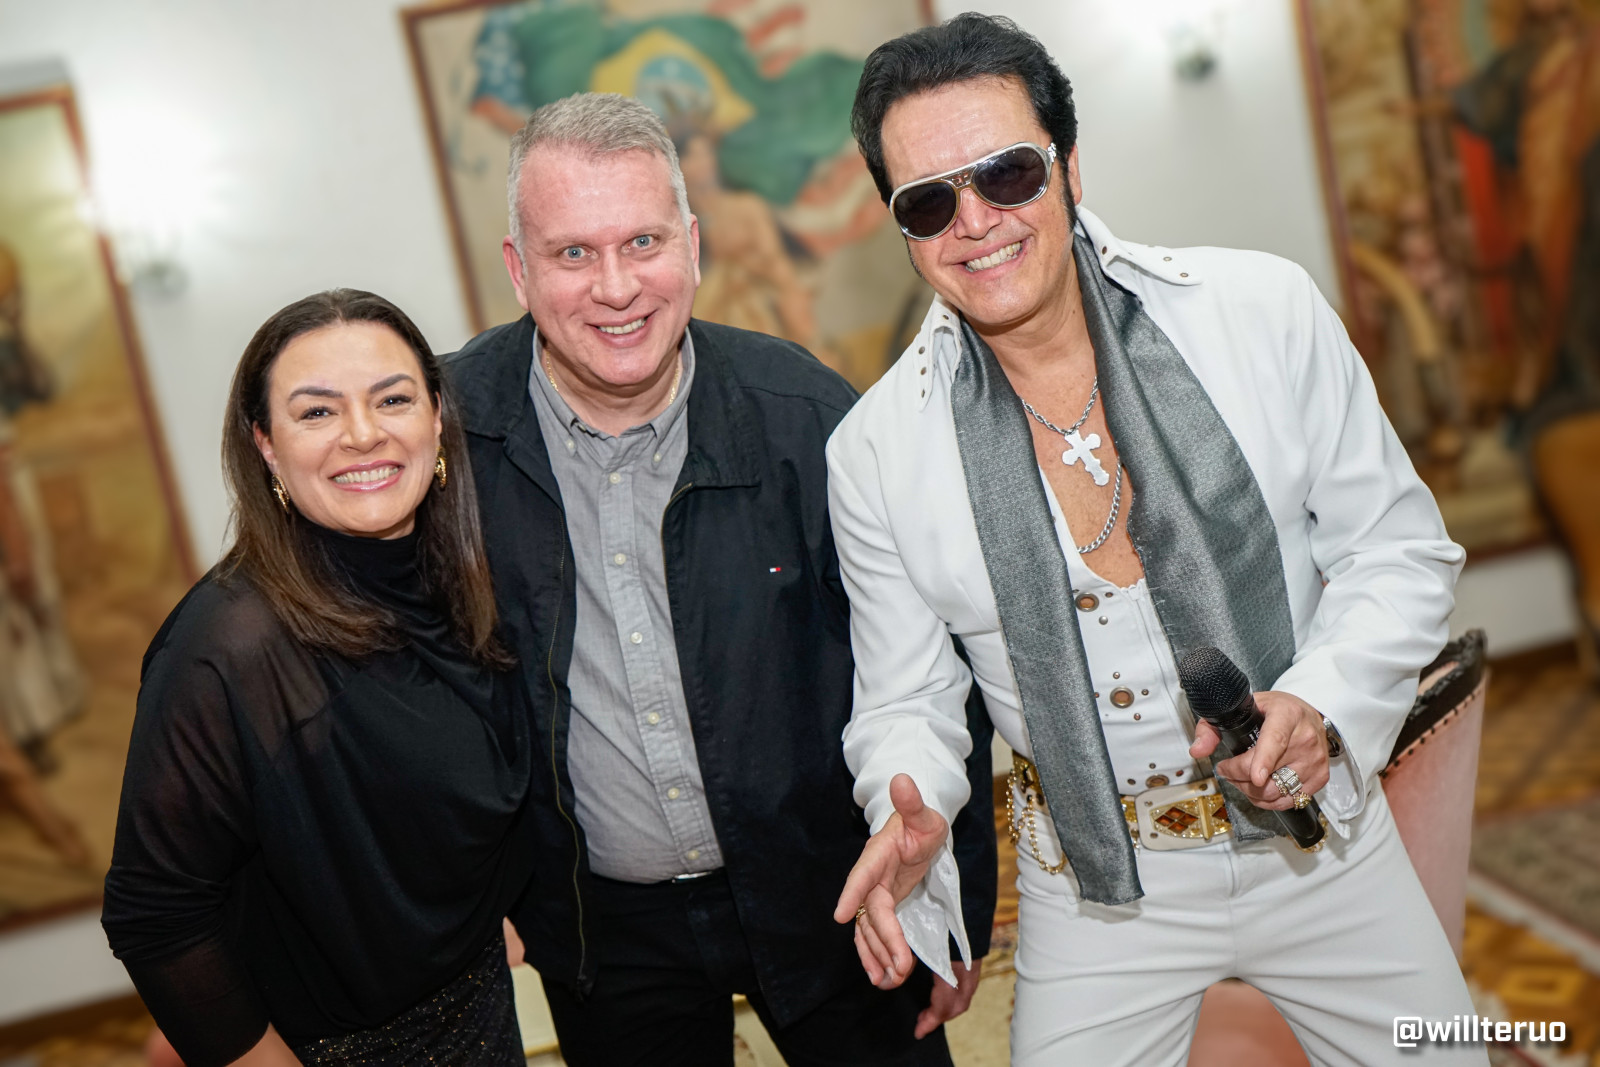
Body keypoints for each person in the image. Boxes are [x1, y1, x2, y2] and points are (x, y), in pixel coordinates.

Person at [828, 14, 1484, 1065]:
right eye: (929, 201)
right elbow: (906, 700)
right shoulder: (874, 450)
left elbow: (1397, 551)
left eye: (1007, 173)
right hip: (1095, 893)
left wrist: (1318, 706)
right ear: (901, 227)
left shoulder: (1259, 311)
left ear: (1069, 166)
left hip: (1322, 850)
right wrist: (907, 802)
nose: (976, 221)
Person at [445, 92, 996, 1067]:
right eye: (572, 252)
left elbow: (931, 662)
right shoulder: (444, 439)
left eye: (643, 241)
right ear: (518, 270)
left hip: (832, 888)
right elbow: (394, 681)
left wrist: (956, 902)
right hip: (602, 930)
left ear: (693, 246)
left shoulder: (807, 415)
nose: (616, 287)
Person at [102, 289, 535, 1067]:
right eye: (317, 412)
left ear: (437, 418)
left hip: (480, 1016)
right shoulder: (231, 645)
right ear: (266, 445)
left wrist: (471, 915)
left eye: (392, 399)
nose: (363, 433)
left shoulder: (458, 583)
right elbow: (156, 913)